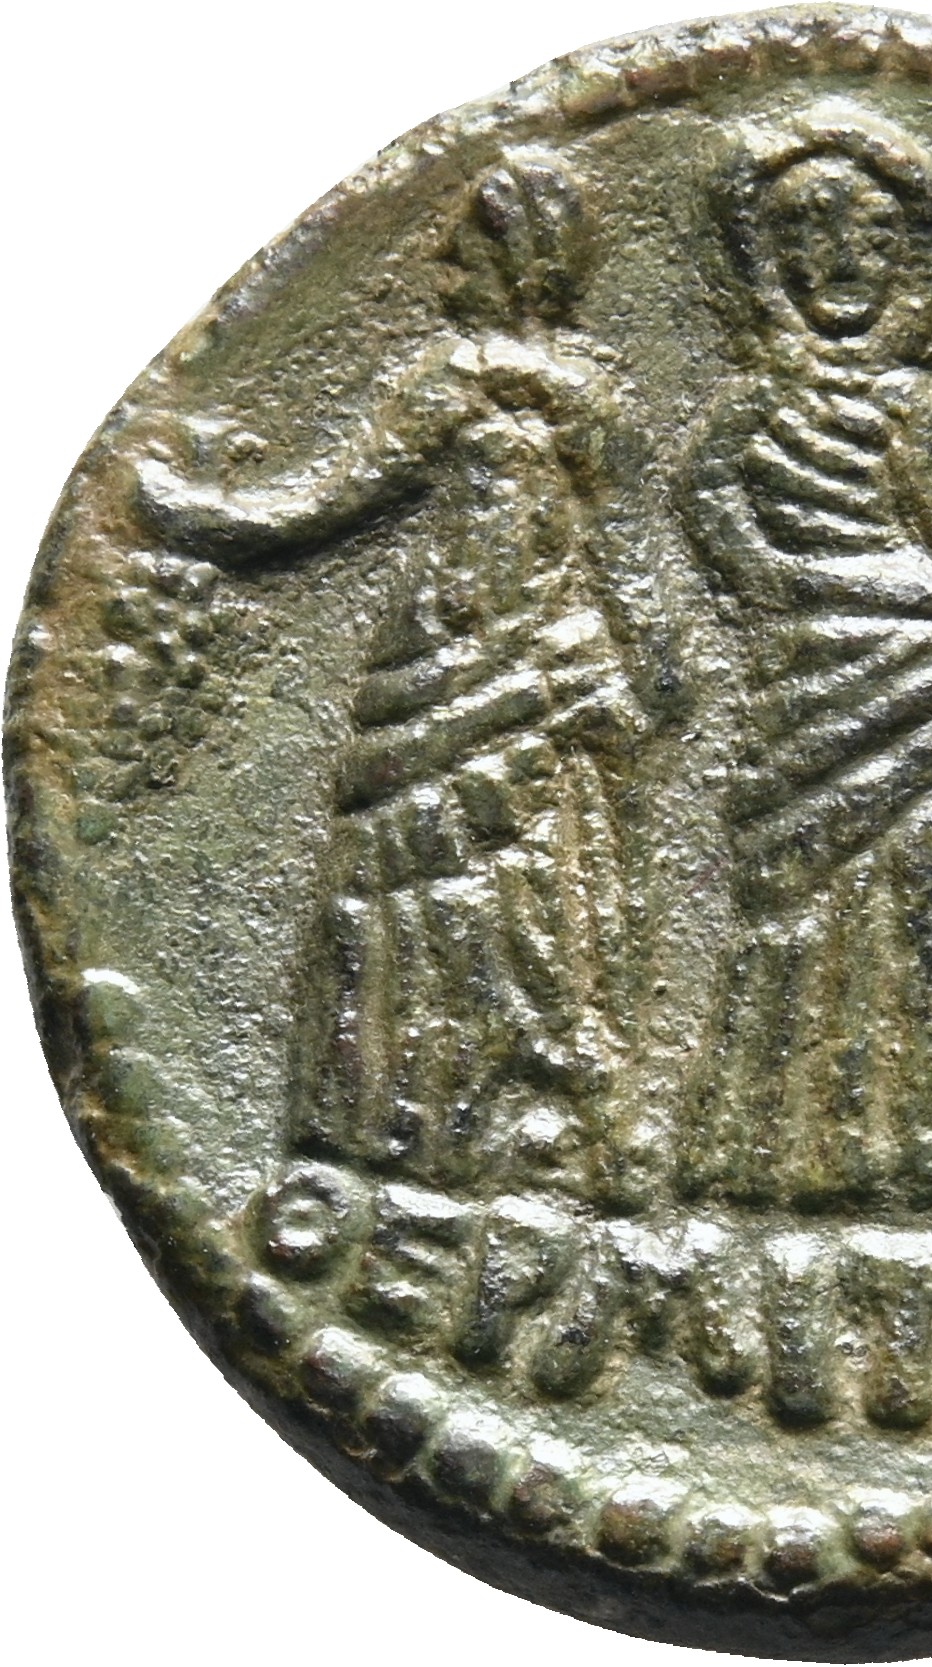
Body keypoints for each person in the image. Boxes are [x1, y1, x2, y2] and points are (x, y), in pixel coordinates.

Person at [135, 150, 650, 1199]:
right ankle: (493, 1127)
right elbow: (615, 555)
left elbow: (323, 505)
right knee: (512, 887)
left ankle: (477, 1125)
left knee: (485, 887)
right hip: (496, 661)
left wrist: (191, 513)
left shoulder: (468, 383)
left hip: (493, 661)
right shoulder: (580, 401)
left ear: (513, 261)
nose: (446, 263)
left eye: (468, 247)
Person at [678, 104, 932, 1218]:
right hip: (806, 684)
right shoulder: (744, 416)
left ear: (909, 265)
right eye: (812, 239)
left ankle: (911, 1141)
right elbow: (751, 567)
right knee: (790, 902)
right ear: (768, 265)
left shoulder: (917, 410)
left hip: (915, 693)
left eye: (870, 239)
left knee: (915, 907)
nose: (843, 263)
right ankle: (757, 1143)